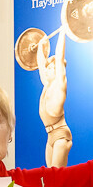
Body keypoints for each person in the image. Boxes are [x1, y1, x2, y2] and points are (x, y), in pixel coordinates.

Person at [36, 34, 71, 167]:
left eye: (51, 68)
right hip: (50, 135)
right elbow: (41, 64)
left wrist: (63, 31)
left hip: (61, 136)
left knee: (57, 177)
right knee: (50, 177)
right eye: (48, 68)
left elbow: (60, 56)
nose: (47, 70)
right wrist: (40, 46)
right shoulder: (47, 85)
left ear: (58, 71)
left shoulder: (59, 85)